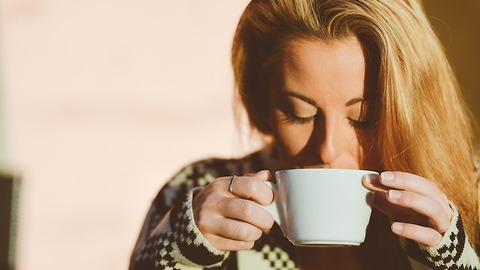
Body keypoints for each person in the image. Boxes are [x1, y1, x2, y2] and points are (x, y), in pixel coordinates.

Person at [129, 0, 480, 269]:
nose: (327, 149)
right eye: (300, 113)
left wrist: (456, 258)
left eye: (364, 117)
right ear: (263, 102)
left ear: (415, 106)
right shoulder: (197, 189)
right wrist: (179, 254)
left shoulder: (472, 191)